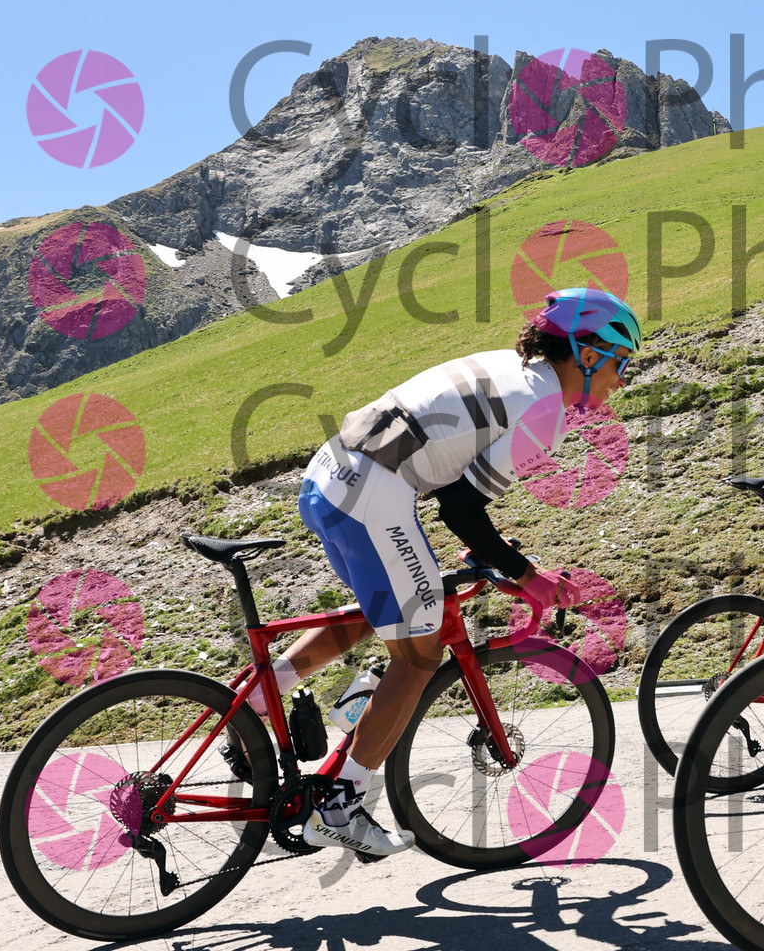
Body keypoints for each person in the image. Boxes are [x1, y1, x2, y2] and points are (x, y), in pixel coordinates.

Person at [256, 287, 641, 857]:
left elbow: (454, 481)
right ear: (588, 354)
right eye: (621, 363)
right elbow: (460, 509)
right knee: (420, 655)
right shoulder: (547, 408)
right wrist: (528, 575)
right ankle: (340, 803)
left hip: (328, 476)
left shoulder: (511, 367)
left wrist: (493, 553)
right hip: (372, 495)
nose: (621, 381)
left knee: (390, 611)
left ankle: (253, 707)